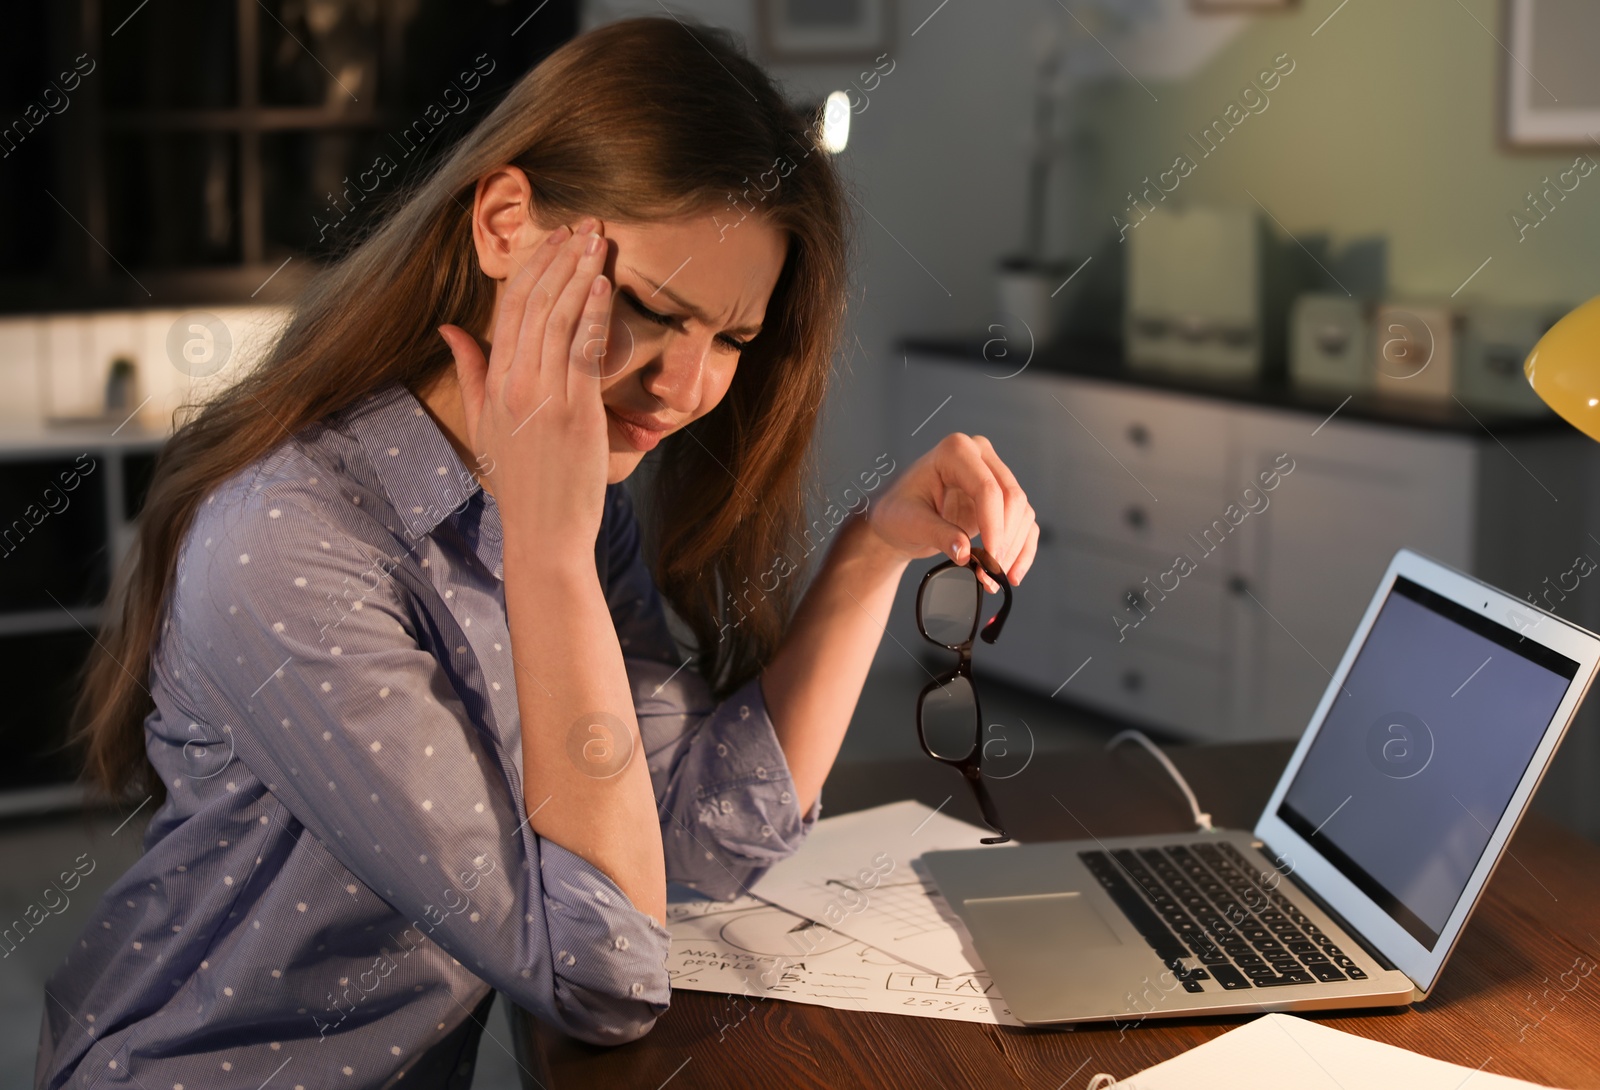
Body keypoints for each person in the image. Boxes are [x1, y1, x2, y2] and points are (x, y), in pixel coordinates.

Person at [36, 15, 1037, 1089]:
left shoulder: (569, 495)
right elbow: (600, 975)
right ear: (506, 223)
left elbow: (698, 835)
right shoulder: (290, 545)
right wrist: (550, 557)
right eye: (654, 310)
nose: (689, 387)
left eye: (734, 339)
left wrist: (872, 548)